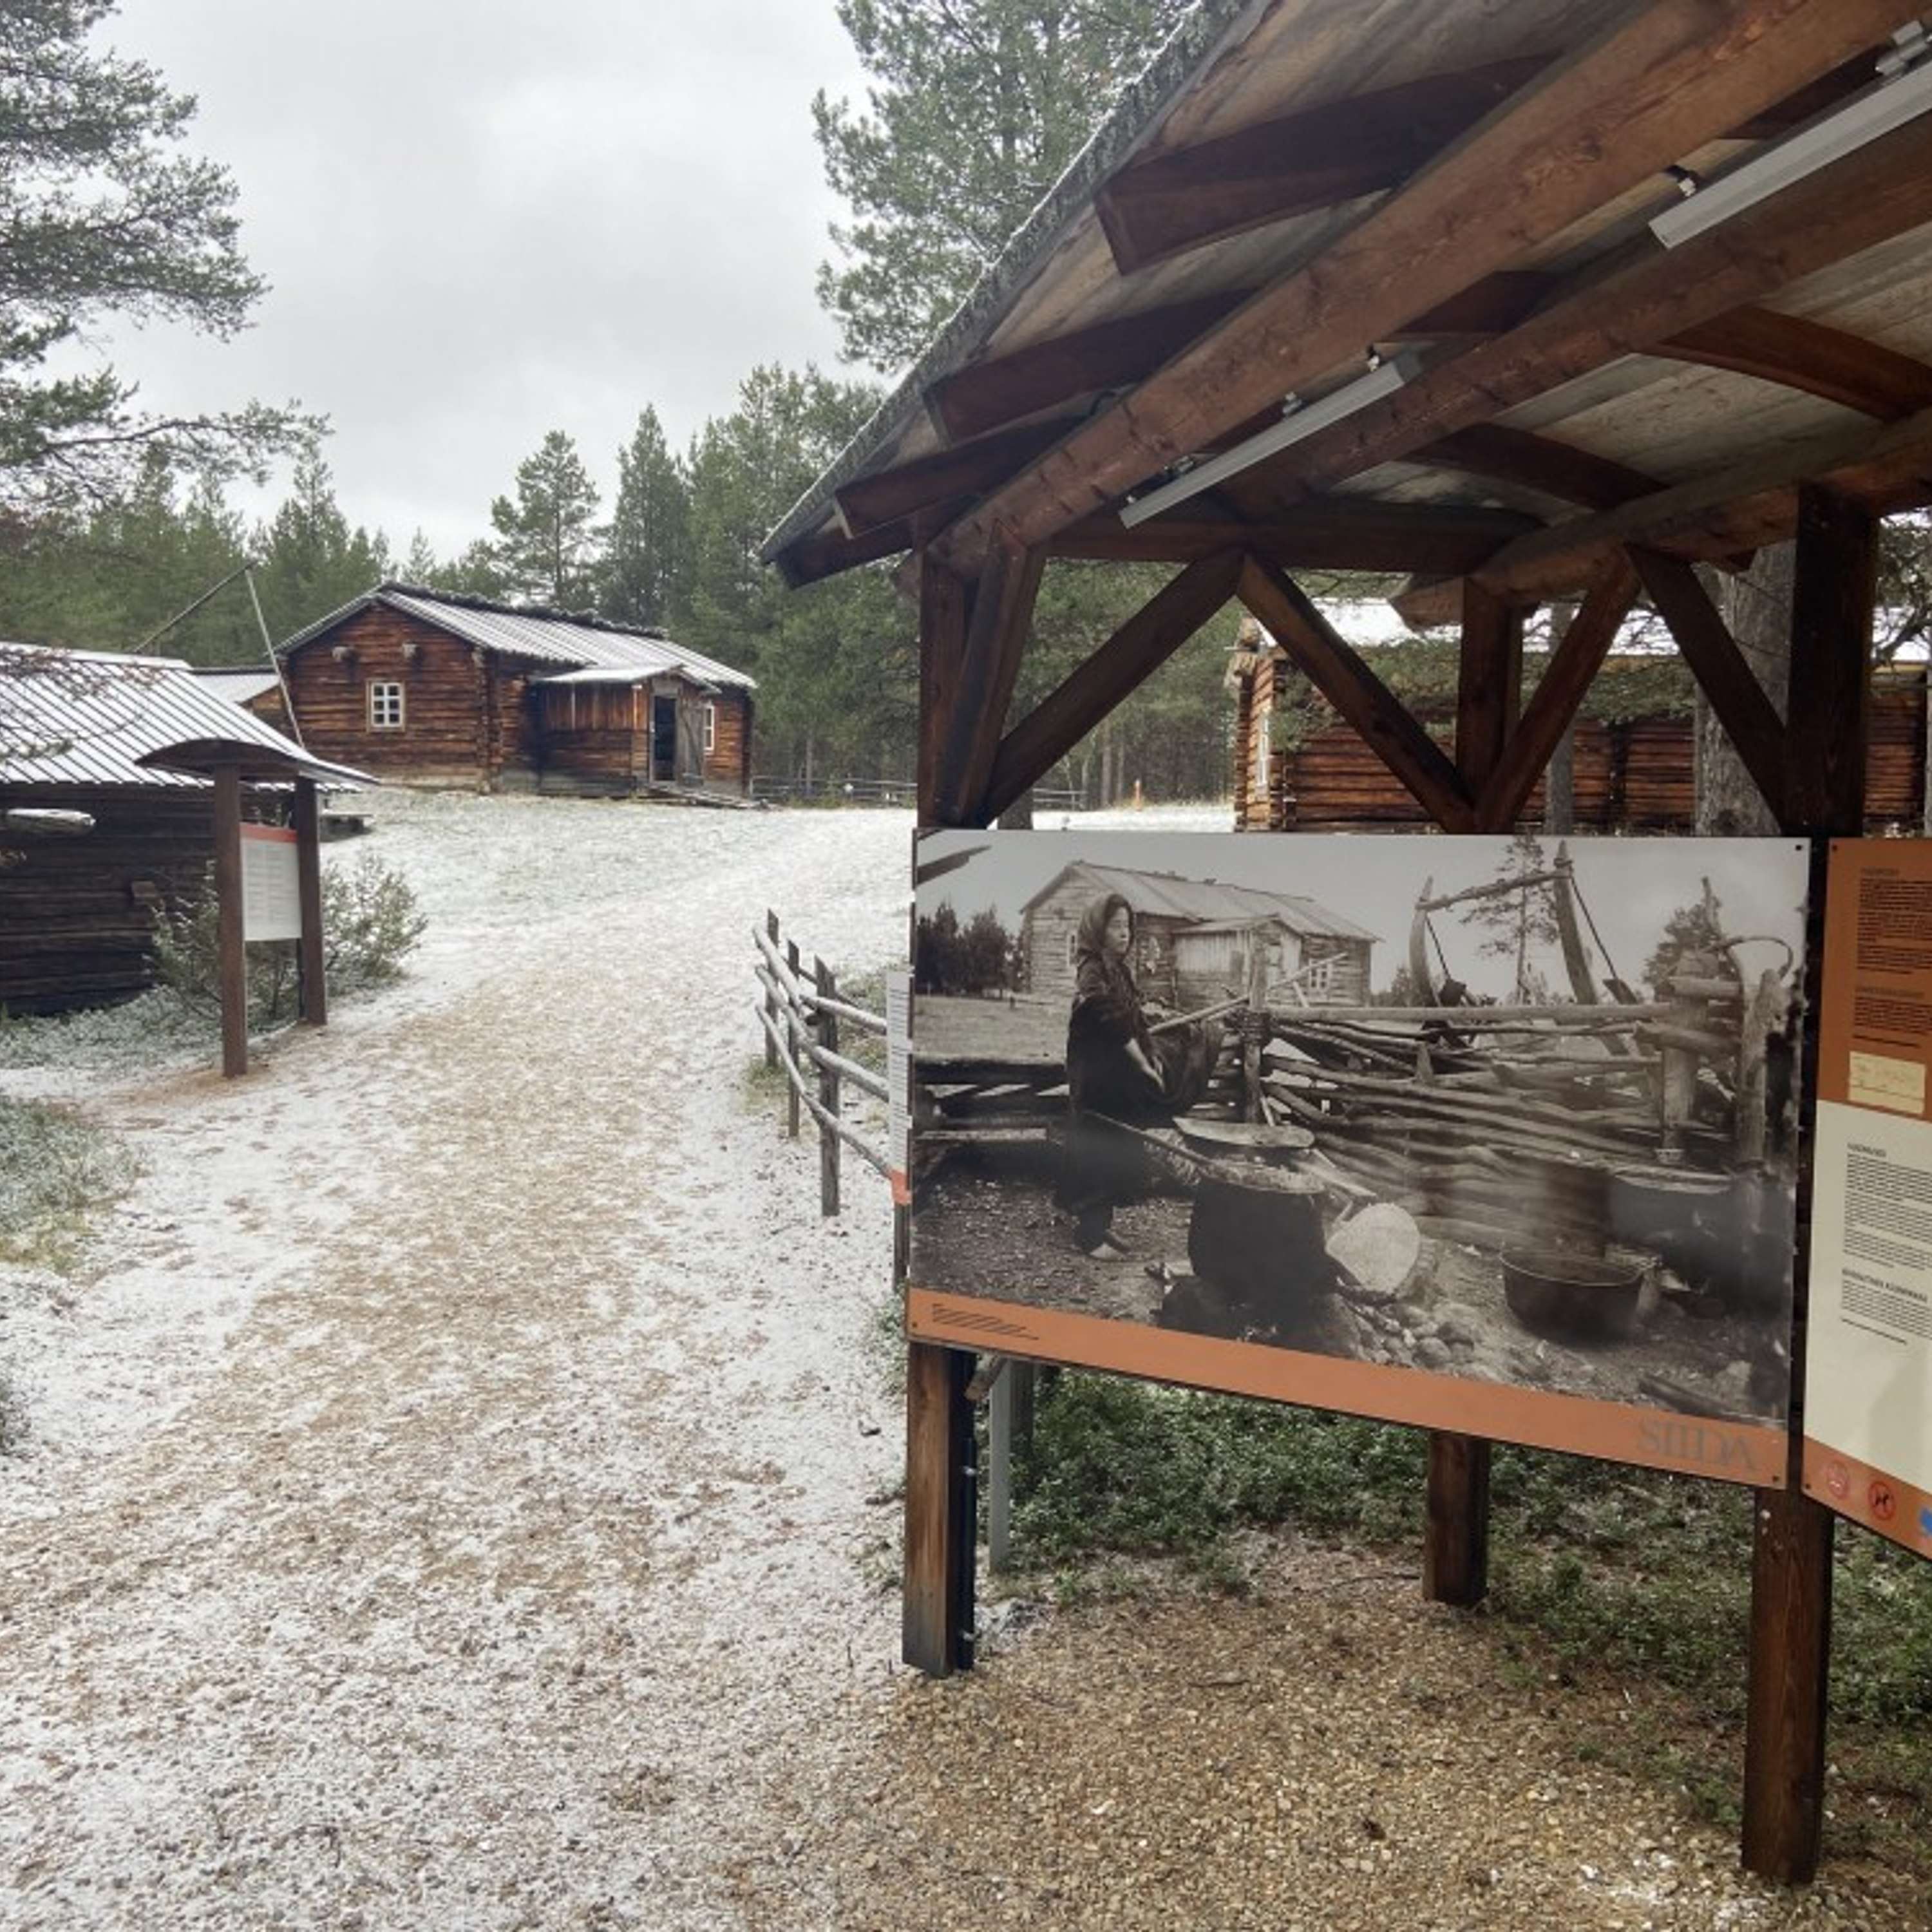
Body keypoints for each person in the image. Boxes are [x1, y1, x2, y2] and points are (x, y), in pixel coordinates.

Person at [1054, 893, 1215, 1258]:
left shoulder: (1120, 971)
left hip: (1116, 1078)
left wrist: (1152, 1054)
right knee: (1097, 1147)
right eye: (1115, 926)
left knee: (1116, 1146)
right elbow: (1108, 1019)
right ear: (1098, 929)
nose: (1124, 934)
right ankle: (1090, 1236)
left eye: (1127, 926)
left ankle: (1100, 1226)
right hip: (1096, 1077)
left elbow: (1134, 1019)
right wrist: (1141, 1064)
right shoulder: (1091, 969)